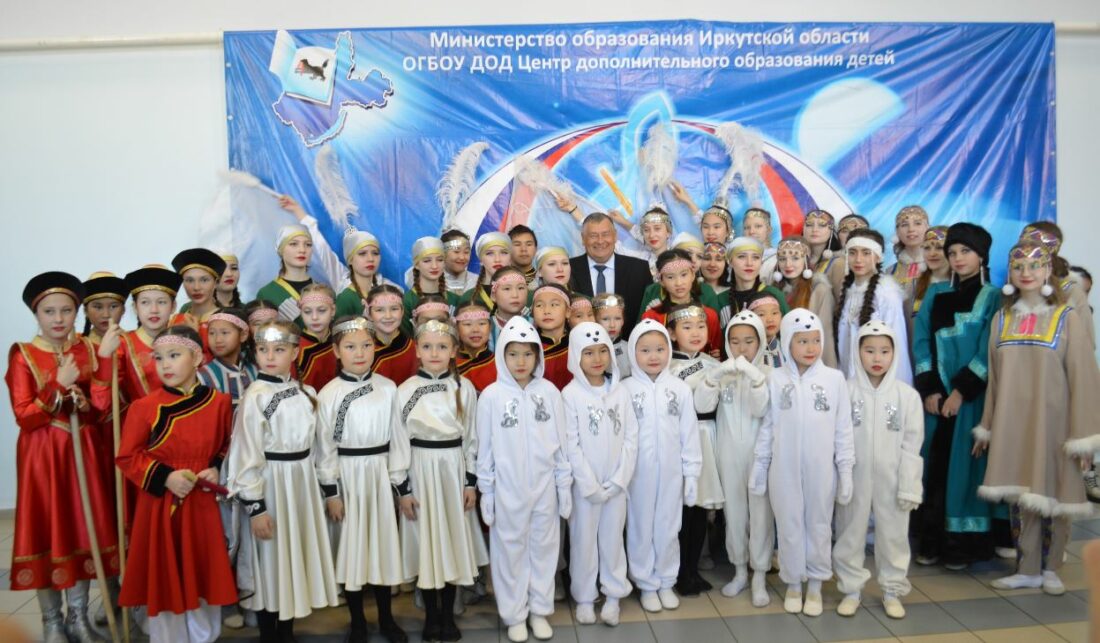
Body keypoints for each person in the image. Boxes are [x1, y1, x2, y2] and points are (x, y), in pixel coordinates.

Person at [975, 241, 1100, 594]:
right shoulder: (1002, 319)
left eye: (1034, 266)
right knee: (1020, 494)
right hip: (1012, 422)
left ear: (1047, 271)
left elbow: (1084, 377)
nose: (1026, 273)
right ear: (1010, 274)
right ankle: (1027, 566)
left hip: (1056, 423)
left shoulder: (1066, 317)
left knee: (1056, 492)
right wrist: (988, 426)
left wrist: (1084, 437)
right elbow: (995, 380)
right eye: (1018, 267)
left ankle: (1052, 567)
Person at [8, 272, 120, 643]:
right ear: (36, 314)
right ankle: (52, 623)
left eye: (66, 310)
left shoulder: (86, 348)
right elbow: (24, 416)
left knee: (81, 530)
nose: (58, 319)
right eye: (49, 311)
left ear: (76, 312)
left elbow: (101, 408)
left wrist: (101, 367)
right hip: (43, 456)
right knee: (49, 530)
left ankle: (78, 619)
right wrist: (58, 383)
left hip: (82, 449)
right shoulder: (23, 354)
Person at [116, 325, 237, 642]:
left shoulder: (220, 402)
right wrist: (166, 477)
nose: (165, 364)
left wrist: (216, 468)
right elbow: (128, 457)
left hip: (202, 502)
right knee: (166, 574)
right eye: (158, 358)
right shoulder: (144, 407)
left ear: (196, 358)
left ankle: (204, 636)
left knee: (202, 571)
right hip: (161, 503)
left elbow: (227, 445)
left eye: (173, 355)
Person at [227, 320, 340, 642]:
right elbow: (246, 453)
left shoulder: (308, 393)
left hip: (302, 484)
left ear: (294, 352)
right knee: (271, 559)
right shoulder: (255, 396)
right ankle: (269, 633)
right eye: (263, 350)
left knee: (293, 557)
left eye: (279, 350)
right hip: (272, 485)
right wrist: (257, 508)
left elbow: (323, 447)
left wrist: (330, 491)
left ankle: (287, 631)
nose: (270, 356)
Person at [750, 308, 853, 617]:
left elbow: (843, 429)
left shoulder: (834, 380)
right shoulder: (776, 379)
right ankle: (794, 583)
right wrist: (760, 466)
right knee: (789, 525)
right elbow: (768, 426)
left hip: (822, 470)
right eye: (802, 341)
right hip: (783, 470)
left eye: (816, 340)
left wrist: (845, 471)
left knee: (819, 525)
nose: (810, 348)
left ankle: (816, 585)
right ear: (787, 342)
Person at [912, 222, 1003, 570]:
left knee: (965, 469)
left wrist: (961, 392)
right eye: (952, 252)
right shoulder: (935, 294)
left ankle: (961, 546)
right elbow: (922, 341)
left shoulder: (993, 297)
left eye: (965, 251)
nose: (957, 258)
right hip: (936, 399)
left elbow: (988, 349)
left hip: (971, 400)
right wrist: (930, 389)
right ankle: (931, 541)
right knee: (932, 467)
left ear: (981, 256)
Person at [477, 318, 572, 642]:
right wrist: (487, 491)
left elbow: (561, 443)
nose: (520, 362)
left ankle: (539, 609)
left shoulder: (549, 393)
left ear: (538, 356)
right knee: (510, 551)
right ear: (501, 354)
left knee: (544, 550)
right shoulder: (491, 397)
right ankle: (514, 614)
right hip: (508, 489)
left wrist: (563, 485)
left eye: (528, 354)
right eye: (513, 354)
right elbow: (484, 449)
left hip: (544, 488)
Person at [316, 316, 410, 643]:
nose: (359, 353)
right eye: (351, 347)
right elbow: (325, 447)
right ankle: (357, 621)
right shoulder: (328, 394)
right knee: (352, 549)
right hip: (348, 478)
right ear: (336, 351)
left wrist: (400, 485)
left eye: (366, 345)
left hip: (379, 476)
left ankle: (386, 619)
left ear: (375, 347)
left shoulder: (388, 389)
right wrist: (332, 492)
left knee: (382, 548)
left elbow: (399, 440)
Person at [395, 320, 487, 642]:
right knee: (427, 543)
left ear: (454, 351)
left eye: (442, 347)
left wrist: (470, 482)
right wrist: (403, 489)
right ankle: (430, 617)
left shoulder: (465, 388)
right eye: (428, 347)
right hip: (420, 470)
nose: (435, 353)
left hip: (453, 470)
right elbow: (398, 441)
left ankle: (448, 615)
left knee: (451, 541)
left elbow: (472, 439)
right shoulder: (405, 391)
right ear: (418, 351)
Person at [833, 320, 924, 619]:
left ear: (895, 353)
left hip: (892, 479)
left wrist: (909, 485)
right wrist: (840, 477)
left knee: (894, 535)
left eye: (885, 351)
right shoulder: (845, 392)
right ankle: (850, 589)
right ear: (857, 351)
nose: (877, 358)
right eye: (869, 350)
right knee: (849, 532)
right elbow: (836, 438)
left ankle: (892, 590)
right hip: (854, 477)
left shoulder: (907, 396)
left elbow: (912, 445)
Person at [622, 319, 701, 613]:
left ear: (669, 349)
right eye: (645, 350)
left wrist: (691, 475)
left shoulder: (680, 389)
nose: (653, 356)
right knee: (640, 527)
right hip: (637, 474)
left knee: (668, 527)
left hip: (671, 474)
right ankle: (645, 583)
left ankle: (666, 580)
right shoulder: (625, 389)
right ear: (633, 352)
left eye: (659, 349)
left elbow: (689, 434)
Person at [562, 322, 638, 627]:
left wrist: (620, 479)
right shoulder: (570, 395)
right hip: (586, 487)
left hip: (616, 484)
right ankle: (584, 596)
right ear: (575, 356)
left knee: (612, 539)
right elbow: (571, 444)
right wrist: (589, 484)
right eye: (588, 352)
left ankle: (614, 594)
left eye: (603, 351)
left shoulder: (620, 392)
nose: (597, 359)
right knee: (583, 541)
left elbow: (631, 438)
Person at [697, 311, 773, 607]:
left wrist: (755, 378)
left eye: (749, 341)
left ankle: (760, 574)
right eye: (735, 341)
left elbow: (761, 410)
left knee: (761, 516)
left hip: (759, 456)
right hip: (728, 454)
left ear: (760, 341)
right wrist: (714, 377)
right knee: (735, 515)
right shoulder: (722, 373)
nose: (742, 348)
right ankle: (740, 571)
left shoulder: (768, 374)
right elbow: (702, 404)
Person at [666, 305, 724, 596]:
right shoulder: (666, 367)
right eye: (686, 328)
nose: (695, 333)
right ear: (672, 333)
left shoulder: (714, 364)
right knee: (682, 509)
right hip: (681, 440)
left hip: (707, 437)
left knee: (701, 508)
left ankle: (692, 567)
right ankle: (677, 571)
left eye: (700, 326)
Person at [834, 229, 912, 383]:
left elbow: (898, 343)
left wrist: (897, 387)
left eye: (866, 253)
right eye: (852, 253)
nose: (858, 259)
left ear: (878, 257)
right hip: (849, 382)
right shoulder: (849, 291)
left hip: (879, 383)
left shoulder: (886, 293)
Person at [569, 212, 653, 337]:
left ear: (615, 236)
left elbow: (649, 314)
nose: (600, 241)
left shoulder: (639, 269)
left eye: (605, 234)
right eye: (593, 236)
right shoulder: (568, 270)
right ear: (583, 238)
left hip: (629, 344)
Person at [641, 249, 723, 356]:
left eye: (684, 275)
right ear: (661, 281)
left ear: (693, 275)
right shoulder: (652, 317)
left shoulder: (709, 315)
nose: (679, 283)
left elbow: (716, 350)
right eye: (670, 277)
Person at [772, 237, 837, 367]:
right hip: (781, 363)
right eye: (782, 259)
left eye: (795, 258)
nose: (788, 264)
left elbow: (825, 334)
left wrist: (827, 370)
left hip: (810, 362)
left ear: (806, 260)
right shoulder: (774, 289)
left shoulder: (819, 290)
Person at [171, 247, 228, 360]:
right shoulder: (174, 322)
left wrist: (193, 336)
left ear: (216, 283)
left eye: (204, 280)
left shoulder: (227, 321)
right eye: (189, 280)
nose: (196, 287)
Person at [722, 236, 789, 325]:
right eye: (742, 256)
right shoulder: (720, 300)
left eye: (755, 257)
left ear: (761, 262)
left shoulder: (774, 294)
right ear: (730, 262)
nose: (749, 263)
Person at [336, 229, 402, 318]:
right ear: (350, 260)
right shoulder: (346, 299)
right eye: (362, 254)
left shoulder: (388, 292)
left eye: (375, 253)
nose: (370, 259)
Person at [402, 237, 459, 336]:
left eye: (440, 260)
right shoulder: (407, 302)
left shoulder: (455, 300)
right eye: (427, 261)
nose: (434, 266)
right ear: (416, 265)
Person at [367, 285, 419, 385]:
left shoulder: (414, 350)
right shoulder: (362, 351)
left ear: (402, 311)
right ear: (369, 314)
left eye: (394, 309)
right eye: (379, 310)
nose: (388, 316)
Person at [297, 283, 338, 391]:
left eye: (321, 310)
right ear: (301, 313)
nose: (314, 317)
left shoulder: (341, 342)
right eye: (307, 312)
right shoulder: (295, 350)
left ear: (333, 310)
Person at [531, 284, 572, 390]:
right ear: (532, 312)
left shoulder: (577, 346)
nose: (546, 311)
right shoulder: (530, 350)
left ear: (568, 312)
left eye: (554, 304)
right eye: (539, 305)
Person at [463, 232, 514, 309]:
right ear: (481, 260)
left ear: (511, 258)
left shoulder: (524, 293)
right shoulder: (468, 297)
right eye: (490, 253)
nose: (497, 259)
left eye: (503, 253)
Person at [454, 301, 496, 393]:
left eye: (481, 323)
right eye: (467, 324)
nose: (475, 329)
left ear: (490, 327)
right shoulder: (448, 366)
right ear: (456, 328)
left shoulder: (500, 366)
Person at [887, 206, 930, 290]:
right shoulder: (890, 272)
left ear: (927, 228)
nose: (911, 229)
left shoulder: (940, 265)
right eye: (904, 225)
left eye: (917, 223)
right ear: (897, 232)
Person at [594, 293, 631, 378]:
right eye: (605, 319)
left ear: (623, 321)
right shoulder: (590, 350)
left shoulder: (629, 348)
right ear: (595, 320)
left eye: (617, 318)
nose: (612, 325)